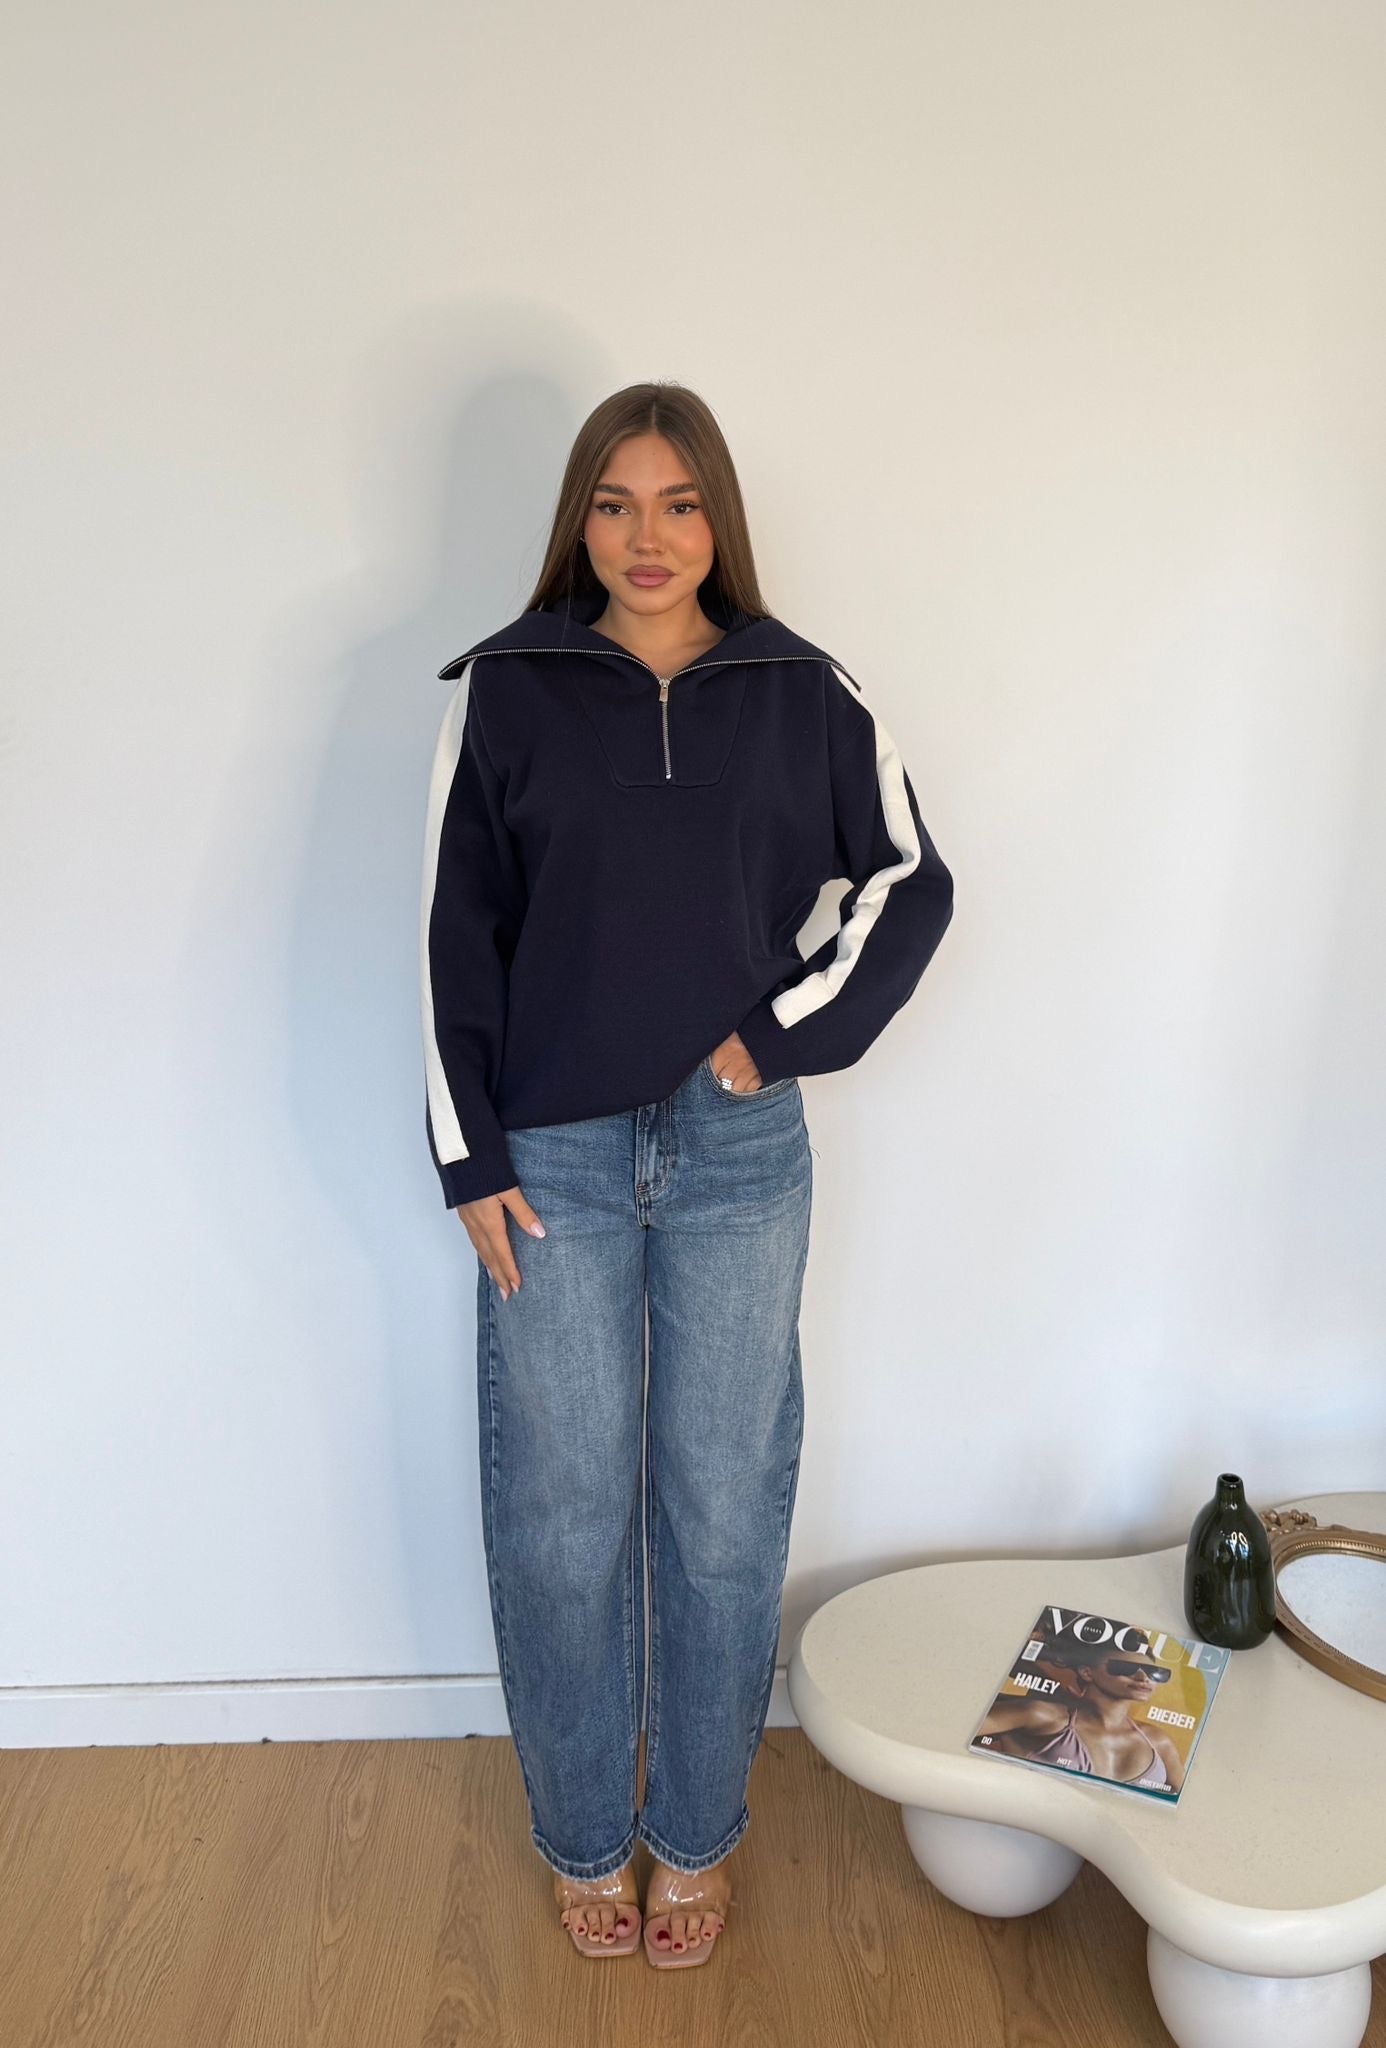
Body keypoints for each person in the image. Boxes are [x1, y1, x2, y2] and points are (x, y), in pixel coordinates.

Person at [419, 381, 955, 1966]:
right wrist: (467, 1152)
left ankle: (696, 1834)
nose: (643, 537)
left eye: (676, 503)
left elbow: (910, 878)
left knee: (719, 1512)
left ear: (717, 516)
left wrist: (775, 1035)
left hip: (734, 1156)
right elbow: (452, 927)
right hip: (551, 1160)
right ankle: (588, 1836)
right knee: (562, 1513)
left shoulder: (800, 689)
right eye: (612, 503)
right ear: (576, 520)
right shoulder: (506, 689)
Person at [975, 1639, 1187, 1793]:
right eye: (1125, 1668)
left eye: (1153, 1672)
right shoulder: (1042, 1715)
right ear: (1087, 1672)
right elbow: (963, 1724)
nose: (1143, 1678)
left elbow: (1181, 1805)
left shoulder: (1158, 1740)